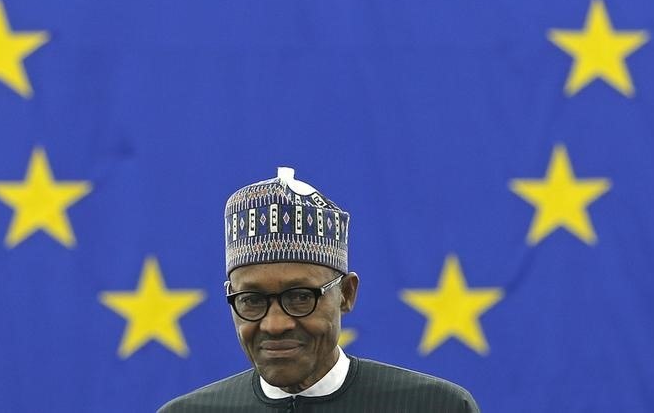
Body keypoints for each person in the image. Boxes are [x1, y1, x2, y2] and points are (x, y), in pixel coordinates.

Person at [158, 166, 479, 412]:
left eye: (300, 297)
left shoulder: (433, 406)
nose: (275, 324)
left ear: (347, 294)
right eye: (252, 300)